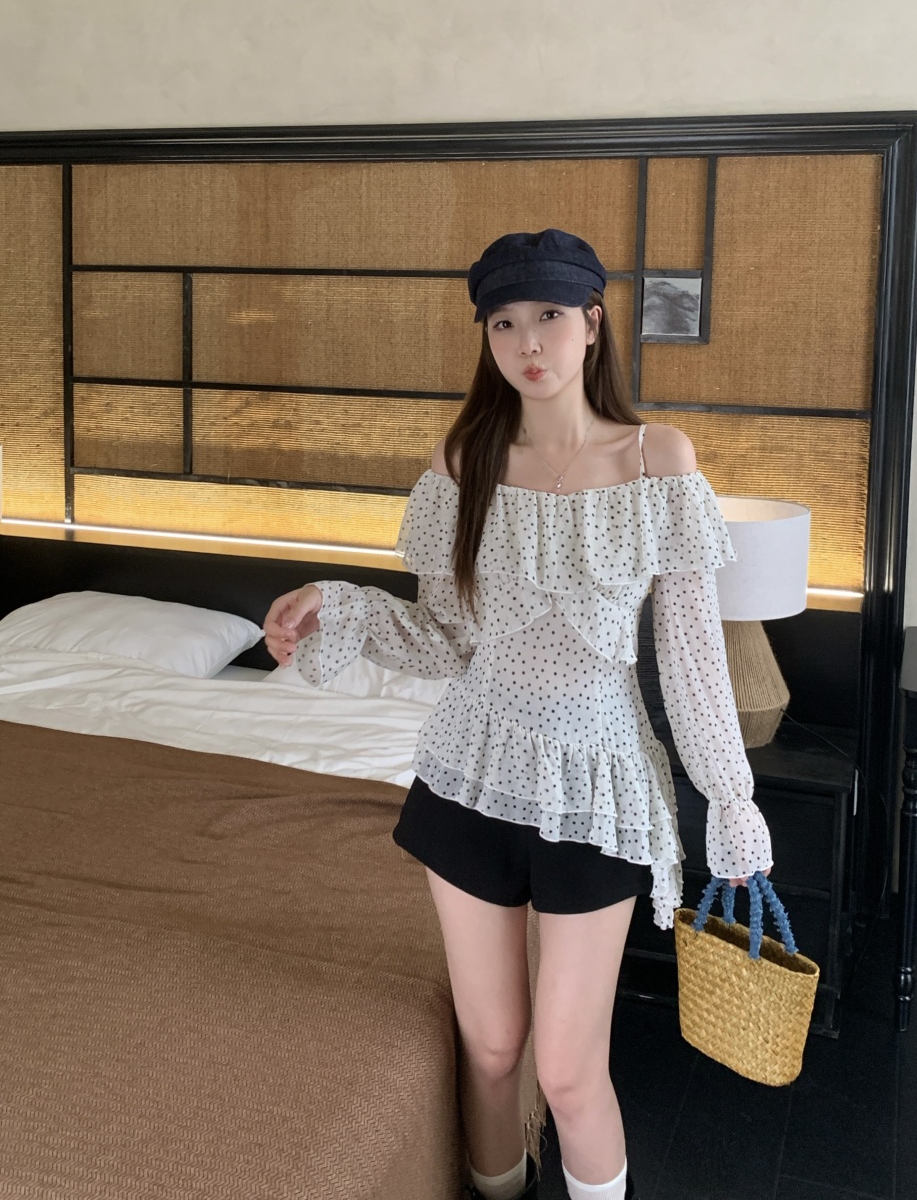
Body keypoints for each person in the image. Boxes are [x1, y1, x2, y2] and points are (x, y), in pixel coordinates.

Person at [262, 228, 774, 1200]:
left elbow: (691, 660)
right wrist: (341, 603)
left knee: (569, 1073)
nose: (527, 341)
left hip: (597, 786)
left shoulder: (655, 461)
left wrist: (729, 797)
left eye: (548, 315)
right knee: (491, 1048)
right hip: (470, 772)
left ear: (593, 322)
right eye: (503, 322)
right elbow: (445, 640)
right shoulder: (464, 461)